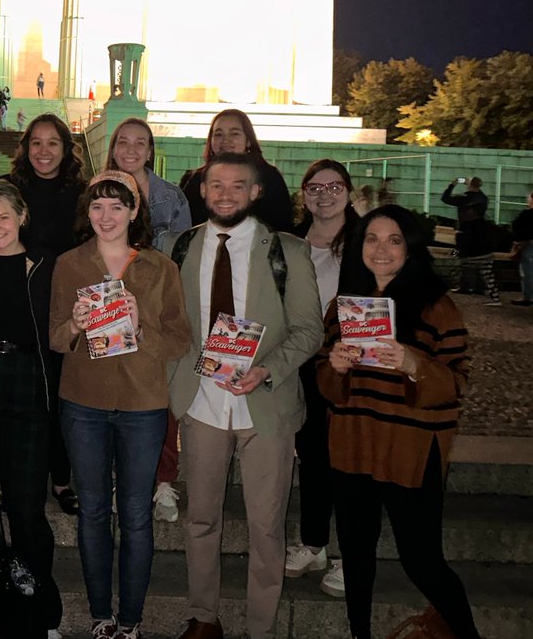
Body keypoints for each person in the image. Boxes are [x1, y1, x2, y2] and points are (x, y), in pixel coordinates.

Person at [163, 153, 323, 639]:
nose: (226, 193)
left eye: (238, 185)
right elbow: (169, 324)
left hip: (266, 406)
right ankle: (203, 617)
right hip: (202, 401)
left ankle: (261, 627)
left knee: (266, 527)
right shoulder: (179, 247)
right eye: (216, 184)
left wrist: (267, 369)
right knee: (201, 518)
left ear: (255, 192)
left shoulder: (287, 252)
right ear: (203, 191)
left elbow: (309, 330)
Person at [317, 205, 480, 639]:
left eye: (394, 240)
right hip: (353, 446)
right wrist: (333, 366)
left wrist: (413, 364)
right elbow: (327, 389)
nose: (381, 249)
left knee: (422, 561)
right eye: (371, 238)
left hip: (410, 451)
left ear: (410, 248)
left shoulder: (438, 309)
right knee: (355, 555)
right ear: (358, 247)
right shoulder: (342, 308)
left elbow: (456, 384)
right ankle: (359, 634)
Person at [50, 170, 191, 638]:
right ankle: (100, 616)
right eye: (96, 206)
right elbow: (54, 337)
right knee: (92, 511)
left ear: (135, 211)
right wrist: (73, 324)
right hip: (83, 402)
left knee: (134, 514)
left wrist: (141, 324)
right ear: (85, 212)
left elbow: (180, 339)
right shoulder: (69, 264)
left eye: (116, 206)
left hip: (142, 404)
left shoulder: (159, 267)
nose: (105, 216)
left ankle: (131, 619)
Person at [0, 180, 64, 639]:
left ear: (21, 216)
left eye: (2, 217)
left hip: (28, 383)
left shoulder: (47, 265)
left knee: (26, 510)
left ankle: (37, 615)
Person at [103, 116, 193, 525]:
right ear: (114, 146)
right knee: (114, 400)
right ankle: (122, 478)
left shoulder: (171, 198)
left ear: (151, 149)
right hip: (108, 309)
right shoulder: (98, 190)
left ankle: (163, 480)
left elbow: (184, 257)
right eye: (124, 141)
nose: (132, 149)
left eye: (141, 142)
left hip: (156, 312)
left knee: (161, 399)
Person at [283, 160, 360, 598]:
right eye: (315, 187)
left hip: (350, 364)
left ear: (348, 192)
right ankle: (313, 542)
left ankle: (351, 554)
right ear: (304, 194)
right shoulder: (290, 241)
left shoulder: (367, 239)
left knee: (349, 461)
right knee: (312, 455)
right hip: (306, 363)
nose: (324, 195)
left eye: (334, 187)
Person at [4, 113, 87, 514]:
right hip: (21, 303)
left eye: (52, 143)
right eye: (35, 142)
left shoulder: (82, 194)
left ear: (66, 149)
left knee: (59, 393)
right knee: (23, 395)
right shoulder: (11, 190)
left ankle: (61, 478)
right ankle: (16, 479)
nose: (43, 151)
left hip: (66, 306)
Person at [180, 109, 293, 233]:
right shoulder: (195, 180)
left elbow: (283, 228)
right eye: (218, 134)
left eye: (234, 134)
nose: (225, 140)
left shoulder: (270, 178)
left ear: (248, 140)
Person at [441, 177, 500, 304]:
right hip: (480, 236)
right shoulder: (483, 198)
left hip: (466, 235)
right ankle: (489, 293)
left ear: (469, 184)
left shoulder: (464, 198)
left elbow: (445, 198)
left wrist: (453, 184)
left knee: (458, 257)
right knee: (485, 266)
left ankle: (463, 285)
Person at [513, 188, 533, 307]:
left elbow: (517, 226)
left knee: (527, 270)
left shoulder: (527, 214)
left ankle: (528, 296)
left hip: (528, 243)